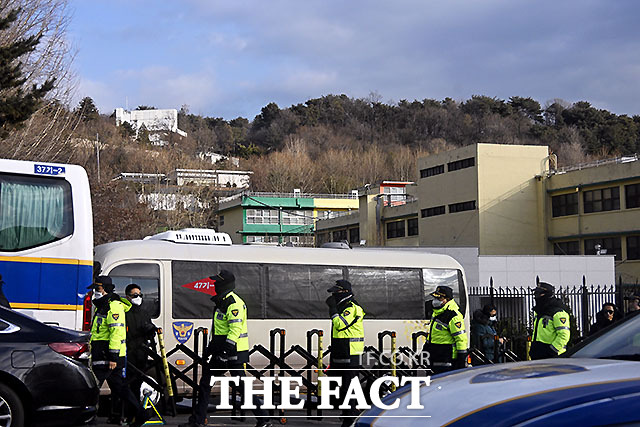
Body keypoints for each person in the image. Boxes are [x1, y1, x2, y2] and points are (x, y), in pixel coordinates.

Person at [180, 270, 271, 427]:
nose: (214, 285)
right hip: (222, 351)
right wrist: (210, 349)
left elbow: (234, 330)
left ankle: (263, 419)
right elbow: (219, 330)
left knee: (233, 386)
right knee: (208, 384)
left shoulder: (234, 303)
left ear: (224, 284)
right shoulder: (222, 301)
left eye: (217, 282)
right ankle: (198, 420)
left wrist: (223, 352)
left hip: (232, 353)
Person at [88, 276, 148, 427]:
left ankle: (88, 420)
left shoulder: (113, 306)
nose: (95, 292)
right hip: (105, 354)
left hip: (108, 356)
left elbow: (116, 332)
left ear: (106, 289)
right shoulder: (103, 305)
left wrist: (113, 357)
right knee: (120, 388)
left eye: (98, 289)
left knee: (93, 388)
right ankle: (141, 414)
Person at [325, 279, 365, 427]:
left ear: (344, 292)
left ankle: (350, 418)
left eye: (336, 292)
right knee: (342, 385)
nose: (334, 295)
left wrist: (332, 309)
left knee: (349, 385)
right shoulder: (342, 306)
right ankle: (350, 411)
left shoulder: (352, 308)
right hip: (340, 350)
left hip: (350, 352)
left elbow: (340, 325)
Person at [422, 285, 468, 374]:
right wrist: (425, 350)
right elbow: (433, 335)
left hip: (446, 356)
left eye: (439, 298)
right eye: (436, 298)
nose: (435, 301)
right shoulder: (437, 312)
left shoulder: (453, 315)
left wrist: (461, 359)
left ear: (447, 299)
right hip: (435, 354)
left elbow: (461, 339)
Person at [124, 284, 157, 400]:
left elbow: (149, 328)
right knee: (128, 382)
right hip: (130, 352)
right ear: (128, 297)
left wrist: (152, 330)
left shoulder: (144, 312)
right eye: (135, 295)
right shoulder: (125, 313)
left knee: (138, 381)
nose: (138, 297)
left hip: (142, 352)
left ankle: (136, 409)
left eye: (140, 295)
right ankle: (129, 410)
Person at [530, 282, 571, 360]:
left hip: (554, 356)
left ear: (547, 295)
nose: (536, 297)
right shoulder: (539, 312)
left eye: (539, 294)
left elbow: (564, 335)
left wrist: (552, 350)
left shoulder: (558, 313)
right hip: (538, 354)